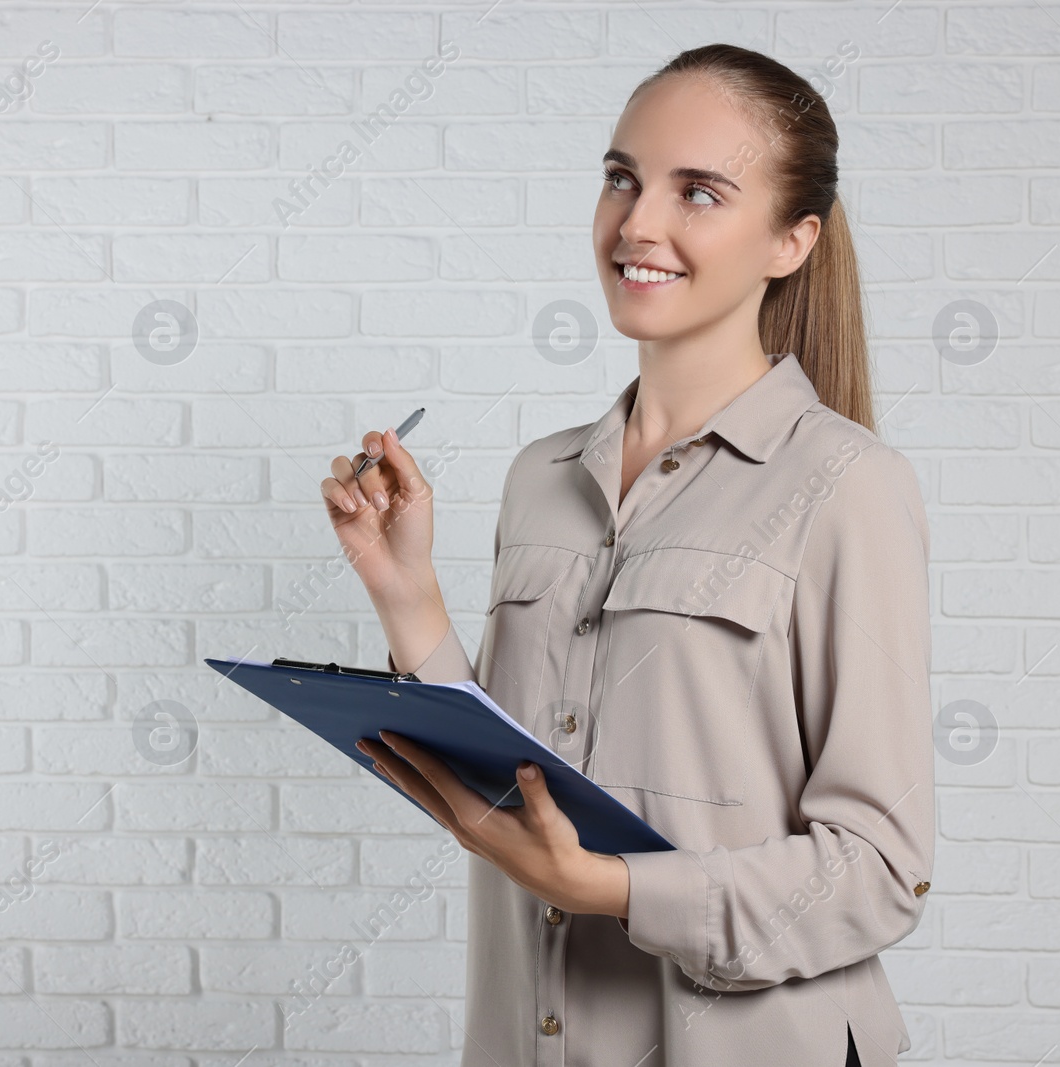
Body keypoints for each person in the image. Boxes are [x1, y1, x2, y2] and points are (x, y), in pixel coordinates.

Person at [322, 43, 933, 1067]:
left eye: (697, 192)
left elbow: (876, 870)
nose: (637, 224)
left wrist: (612, 889)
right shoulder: (541, 476)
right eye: (622, 178)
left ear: (792, 239)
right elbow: (517, 790)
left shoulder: (847, 485)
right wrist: (405, 593)